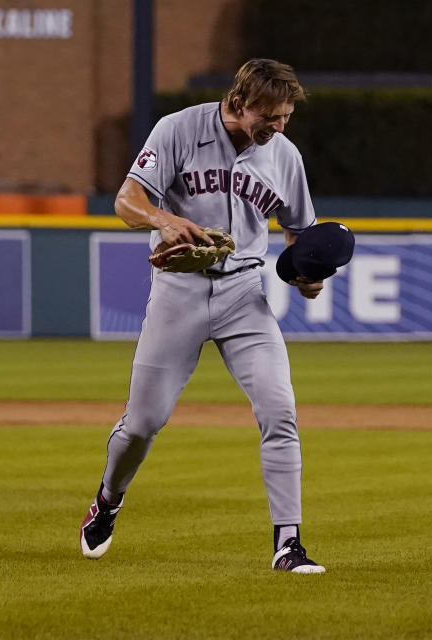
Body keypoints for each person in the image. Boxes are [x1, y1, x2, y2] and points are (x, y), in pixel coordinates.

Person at [79, 58, 327, 573]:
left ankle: (288, 543)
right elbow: (126, 201)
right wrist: (162, 219)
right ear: (239, 103)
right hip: (179, 292)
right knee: (143, 424)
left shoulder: (283, 155)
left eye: (285, 117)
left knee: (279, 412)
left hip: (244, 294)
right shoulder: (179, 130)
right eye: (270, 116)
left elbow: (300, 233)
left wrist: (309, 275)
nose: (278, 128)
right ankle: (107, 499)